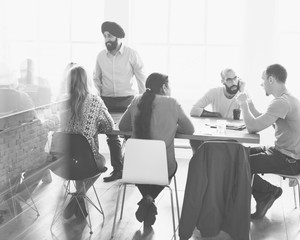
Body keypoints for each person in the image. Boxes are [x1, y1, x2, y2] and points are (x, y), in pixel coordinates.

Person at [119, 73, 194, 227]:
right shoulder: (172, 103)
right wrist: (172, 126)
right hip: (163, 168)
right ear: (164, 87)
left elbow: (122, 127)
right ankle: (149, 199)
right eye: (169, 85)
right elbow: (190, 129)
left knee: (142, 171)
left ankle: (147, 199)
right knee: (165, 169)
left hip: (135, 167)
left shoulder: (136, 100)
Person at [236, 64, 300, 219]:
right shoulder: (286, 99)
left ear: (271, 79)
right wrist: (249, 103)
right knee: (238, 153)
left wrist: (243, 104)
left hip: (289, 160)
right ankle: (265, 193)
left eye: (263, 80)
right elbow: (262, 118)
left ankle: (268, 192)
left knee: (238, 164)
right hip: (282, 153)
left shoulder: (281, 102)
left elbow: (252, 127)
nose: (261, 83)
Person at [93, 21, 146, 182]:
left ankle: (131, 170)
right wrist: (99, 97)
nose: (107, 39)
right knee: (111, 136)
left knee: (129, 135)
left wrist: (144, 100)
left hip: (128, 100)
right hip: (107, 101)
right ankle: (118, 169)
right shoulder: (101, 56)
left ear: (118, 36)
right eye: (104, 36)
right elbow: (96, 78)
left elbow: (141, 78)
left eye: (109, 35)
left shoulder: (131, 54)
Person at [59, 65, 114, 219]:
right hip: (88, 162)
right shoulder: (95, 101)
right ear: (86, 81)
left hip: (64, 163)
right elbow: (110, 126)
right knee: (101, 163)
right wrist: (97, 126)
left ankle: (78, 198)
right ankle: (79, 197)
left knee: (77, 159)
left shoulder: (61, 103)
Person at [189, 68, 245, 153]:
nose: (233, 83)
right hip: (217, 134)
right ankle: (201, 164)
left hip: (234, 137)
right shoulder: (215, 92)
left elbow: (251, 117)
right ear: (223, 81)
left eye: (235, 78)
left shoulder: (242, 93)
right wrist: (216, 115)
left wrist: (242, 92)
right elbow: (194, 110)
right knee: (194, 140)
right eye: (229, 80)